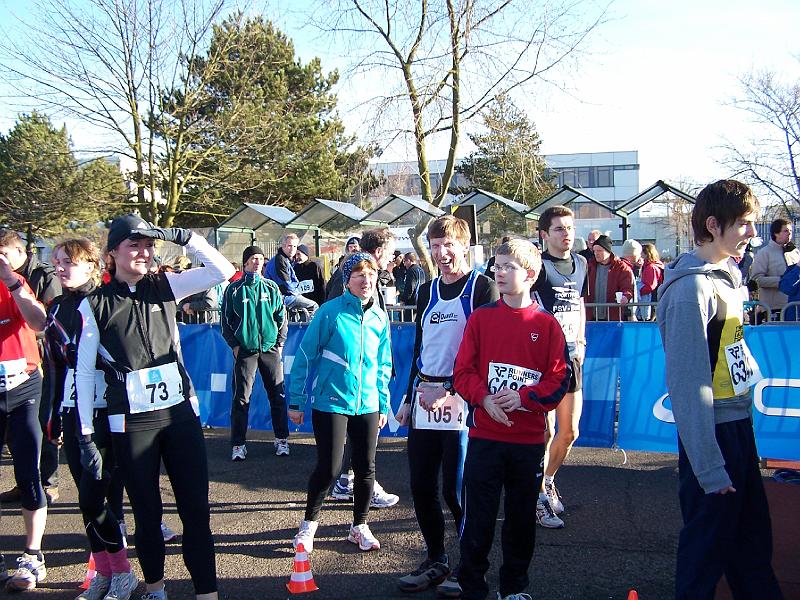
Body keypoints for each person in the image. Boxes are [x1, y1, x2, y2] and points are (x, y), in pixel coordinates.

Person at [73, 214, 234, 600]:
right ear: (112, 253)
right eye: (134, 245)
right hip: (130, 422)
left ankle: (207, 593)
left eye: (149, 245)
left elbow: (222, 270)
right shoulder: (94, 304)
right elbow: (83, 372)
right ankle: (156, 589)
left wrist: (182, 236)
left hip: (179, 415)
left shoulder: (165, 285)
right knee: (147, 515)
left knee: (196, 512)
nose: (144, 252)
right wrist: (85, 435)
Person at [657, 180, 783, 600]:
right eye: (744, 223)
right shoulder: (690, 290)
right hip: (712, 436)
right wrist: (709, 466)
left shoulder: (729, 275)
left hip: (737, 427)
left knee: (751, 547)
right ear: (713, 225)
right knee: (704, 554)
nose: (752, 233)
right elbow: (688, 382)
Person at [453, 239, 570, 600]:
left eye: (508, 267)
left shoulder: (547, 325)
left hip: (528, 443)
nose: (499, 273)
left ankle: (514, 588)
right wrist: (483, 398)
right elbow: (462, 372)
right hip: (485, 439)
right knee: (478, 520)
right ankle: (472, 587)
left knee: (520, 523)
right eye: (496, 266)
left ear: (530, 274)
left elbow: (559, 380)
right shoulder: (481, 318)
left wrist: (524, 398)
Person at [394, 215, 499, 597]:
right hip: (425, 398)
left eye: (448, 245)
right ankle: (436, 558)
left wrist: (452, 389)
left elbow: (486, 352)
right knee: (421, 485)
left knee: (456, 491)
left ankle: (470, 567)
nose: (441, 253)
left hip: (462, 400)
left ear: (463, 246)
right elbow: (420, 348)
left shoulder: (482, 288)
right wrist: (409, 397)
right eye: (435, 246)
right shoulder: (427, 290)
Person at [45, 238, 137, 600]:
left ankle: (123, 574)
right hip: (72, 409)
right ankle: (104, 572)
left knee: (100, 496)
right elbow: (55, 367)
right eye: (57, 262)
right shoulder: (55, 307)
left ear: (90, 265)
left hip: (106, 410)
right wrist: (52, 416)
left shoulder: (102, 301)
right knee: (86, 500)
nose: (60, 268)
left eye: (68, 262)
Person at [289, 253, 392, 553]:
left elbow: (383, 364)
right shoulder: (329, 312)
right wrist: (296, 401)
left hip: (368, 403)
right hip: (331, 402)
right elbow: (305, 356)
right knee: (330, 468)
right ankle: (308, 526)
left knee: (366, 468)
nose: (366, 280)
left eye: (371, 274)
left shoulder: (379, 317)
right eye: (359, 274)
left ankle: (359, 526)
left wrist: (382, 403)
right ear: (347, 280)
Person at [329, 228, 399, 510]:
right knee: (363, 434)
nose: (392, 258)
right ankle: (357, 483)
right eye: (390, 252)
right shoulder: (351, 274)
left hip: (368, 368)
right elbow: (336, 316)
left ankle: (347, 480)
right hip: (354, 371)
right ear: (379, 251)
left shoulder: (368, 274)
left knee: (362, 432)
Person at [533, 206, 588, 529]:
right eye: (559, 229)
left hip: (572, 359)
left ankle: (549, 479)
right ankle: (537, 496)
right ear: (545, 234)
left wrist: (582, 340)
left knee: (569, 432)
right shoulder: (539, 267)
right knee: (546, 432)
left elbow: (579, 302)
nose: (566, 234)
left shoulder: (581, 263)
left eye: (569, 228)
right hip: (543, 363)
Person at [0, 229, 62, 506]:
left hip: (44, 359)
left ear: (19, 251)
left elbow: (51, 321)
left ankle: (47, 482)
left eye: (4, 254)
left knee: (42, 423)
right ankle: (24, 480)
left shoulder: (43, 275)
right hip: (15, 362)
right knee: (16, 433)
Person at [0, 247, 49, 592]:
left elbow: (38, 322)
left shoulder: (15, 282)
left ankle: (33, 554)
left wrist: (11, 281)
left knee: (29, 470)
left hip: (23, 386)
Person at [222, 246, 289, 460]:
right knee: (241, 398)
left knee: (278, 395)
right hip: (245, 350)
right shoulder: (234, 289)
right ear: (245, 263)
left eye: (260, 258)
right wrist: (235, 345)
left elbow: (281, 316)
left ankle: (281, 439)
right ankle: (238, 444)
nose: (258, 262)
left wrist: (279, 343)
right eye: (253, 258)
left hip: (270, 348)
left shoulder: (271, 287)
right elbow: (225, 321)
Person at [750, 218, 799, 319]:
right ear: (776, 233)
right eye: (786, 231)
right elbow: (756, 280)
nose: (789, 234)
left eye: (791, 230)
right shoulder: (764, 253)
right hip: (774, 308)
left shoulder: (795, 252)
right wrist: (782, 281)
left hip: (794, 308)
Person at [264, 233, 317, 320]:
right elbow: (286, 285)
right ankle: (307, 328)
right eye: (290, 246)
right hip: (281, 297)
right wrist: (297, 293)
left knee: (296, 311)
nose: (292, 249)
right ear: (283, 246)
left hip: (281, 296)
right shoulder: (280, 260)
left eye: (295, 246)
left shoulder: (284, 259)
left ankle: (298, 325)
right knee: (313, 306)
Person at [586, 234, 634, 321]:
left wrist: (625, 297)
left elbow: (627, 287)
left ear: (608, 251)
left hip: (613, 316)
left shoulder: (621, 267)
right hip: (591, 316)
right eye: (594, 251)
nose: (596, 253)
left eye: (599, 250)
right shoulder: (590, 266)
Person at [638, 243, 664, 321]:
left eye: (641, 252)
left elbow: (650, 286)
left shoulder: (651, 267)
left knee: (648, 321)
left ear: (646, 253)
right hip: (654, 298)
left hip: (651, 299)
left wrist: (637, 292)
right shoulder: (654, 265)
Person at [397, 252, 426, 322]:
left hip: (412, 302)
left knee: (409, 323)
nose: (404, 264)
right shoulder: (421, 270)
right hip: (420, 301)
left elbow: (410, 288)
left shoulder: (411, 271)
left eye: (404, 261)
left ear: (409, 260)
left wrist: (403, 300)